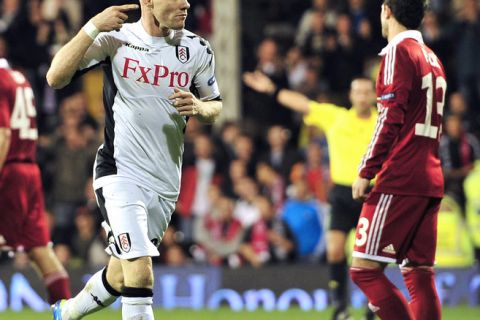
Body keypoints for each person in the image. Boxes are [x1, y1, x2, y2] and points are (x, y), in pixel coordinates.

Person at [46, 0, 222, 319]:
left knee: (119, 275)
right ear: (149, 2)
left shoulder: (197, 48)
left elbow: (215, 106)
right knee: (140, 272)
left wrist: (199, 107)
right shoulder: (116, 38)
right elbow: (55, 77)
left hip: (166, 182)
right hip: (120, 173)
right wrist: (92, 26)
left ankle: (67, 313)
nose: (186, 3)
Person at [243, 72, 377, 319]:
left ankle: (372, 307)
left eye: (367, 92)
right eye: (357, 92)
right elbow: (302, 103)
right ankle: (340, 307)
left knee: (368, 258)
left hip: (373, 194)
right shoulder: (337, 117)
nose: (362, 97)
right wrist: (272, 89)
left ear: (374, 96)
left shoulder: (382, 122)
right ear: (351, 95)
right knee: (335, 250)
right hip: (341, 192)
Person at [350, 1, 447, 319]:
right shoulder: (432, 58)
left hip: (401, 176)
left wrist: (367, 169)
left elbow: (390, 117)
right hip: (429, 176)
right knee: (418, 273)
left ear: (386, 10)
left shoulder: (398, 52)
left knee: (364, 270)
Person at [0, 58, 71, 304]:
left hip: (9, 171)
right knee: (39, 250)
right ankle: (65, 311)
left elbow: (3, 134)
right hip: (29, 169)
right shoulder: (19, 79)